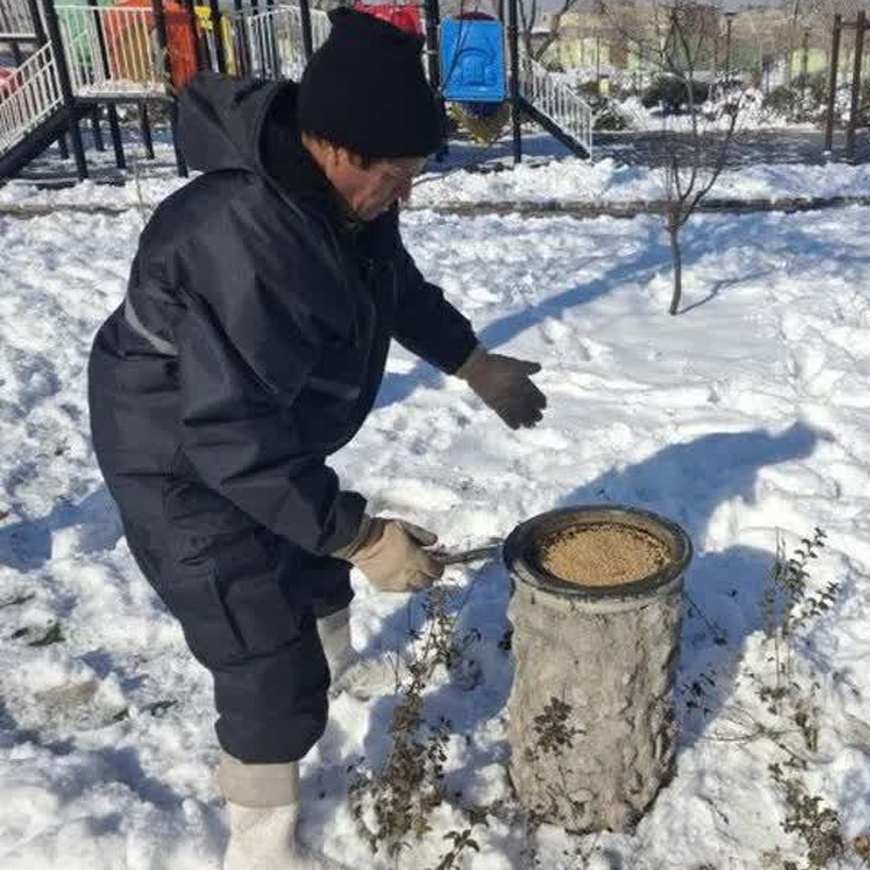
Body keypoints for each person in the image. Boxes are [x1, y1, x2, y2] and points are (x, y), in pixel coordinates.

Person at [86, 9, 546, 869]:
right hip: (176, 450)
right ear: (340, 149)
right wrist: (368, 537)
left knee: (306, 553)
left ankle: (338, 672)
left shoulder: (345, 200)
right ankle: (259, 851)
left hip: (260, 425)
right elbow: (231, 439)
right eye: (403, 173)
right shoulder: (241, 242)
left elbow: (394, 285)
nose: (408, 191)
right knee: (260, 647)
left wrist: (471, 360)